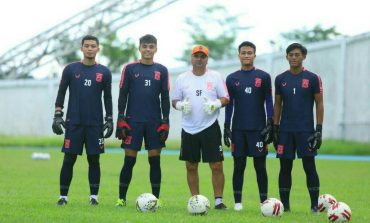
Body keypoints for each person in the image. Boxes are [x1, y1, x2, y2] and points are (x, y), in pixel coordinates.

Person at [52, 35, 113, 206]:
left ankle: (94, 197)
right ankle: (63, 197)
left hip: (95, 124)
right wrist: (58, 114)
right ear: (82, 48)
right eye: (86, 46)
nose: (90, 48)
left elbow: (107, 98)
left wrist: (109, 119)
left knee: (94, 159)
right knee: (69, 159)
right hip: (74, 122)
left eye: (93, 46)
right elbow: (62, 92)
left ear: (98, 49)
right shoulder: (70, 69)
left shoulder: (104, 72)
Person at [172, 45, 229, 210]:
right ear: (191, 58)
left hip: (210, 126)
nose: (199, 59)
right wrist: (181, 106)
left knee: (216, 164)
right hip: (189, 128)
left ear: (207, 59)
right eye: (196, 56)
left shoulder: (215, 76)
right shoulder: (182, 78)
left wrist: (216, 103)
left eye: (202, 56)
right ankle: (196, 200)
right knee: (191, 165)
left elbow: (226, 97)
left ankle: (219, 201)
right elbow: (174, 100)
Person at [115, 34, 170, 207]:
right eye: (144, 46)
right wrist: (120, 118)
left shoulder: (162, 70)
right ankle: (121, 199)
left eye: (151, 46)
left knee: (155, 160)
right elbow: (123, 94)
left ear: (156, 49)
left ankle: (156, 199)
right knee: (129, 160)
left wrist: (165, 121)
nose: (148, 49)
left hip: (154, 122)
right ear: (139, 48)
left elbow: (165, 98)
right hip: (133, 122)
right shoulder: (130, 68)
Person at [273, 43, 324, 213]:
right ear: (286, 57)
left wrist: (318, 130)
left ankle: (314, 206)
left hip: (306, 131)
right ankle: (285, 207)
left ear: (303, 56)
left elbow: (319, 104)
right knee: (285, 168)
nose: (294, 57)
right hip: (285, 131)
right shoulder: (280, 79)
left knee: (309, 166)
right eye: (290, 55)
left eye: (297, 54)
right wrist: (275, 127)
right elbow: (278, 104)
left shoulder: (312, 78)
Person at [224, 41, 273, 211]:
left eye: (249, 52)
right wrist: (226, 126)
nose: (246, 55)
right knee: (239, 166)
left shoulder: (264, 77)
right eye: (243, 52)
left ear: (254, 55)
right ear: (239, 55)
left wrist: (270, 122)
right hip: (238, 130)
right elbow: (229, 105)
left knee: (260, 166)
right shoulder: (231, 78)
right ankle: (238, 203)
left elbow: (268, 100)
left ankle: (264, 202)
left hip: (258, 130)